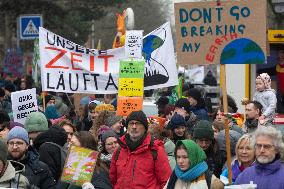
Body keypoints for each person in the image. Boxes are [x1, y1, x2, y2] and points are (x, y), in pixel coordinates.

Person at [110, 110, 171, 189]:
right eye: (131, 123)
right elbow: (113, 179)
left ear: (145, 128)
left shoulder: (156, 150)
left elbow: (166, 181)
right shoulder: (119, 150)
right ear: (127, 127)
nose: (134, 127)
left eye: (138, 123)